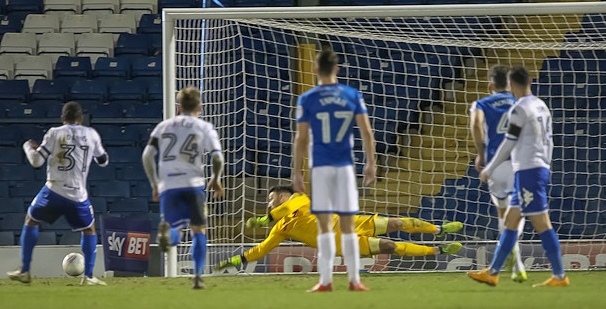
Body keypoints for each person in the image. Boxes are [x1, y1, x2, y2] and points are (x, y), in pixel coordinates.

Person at [468, 66, 569, 287]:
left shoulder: (519, 108)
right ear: (530, 81)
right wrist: (546, 164)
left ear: (511, 85)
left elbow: (509, 142)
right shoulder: (541, 105)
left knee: (542, 224)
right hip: (534, 168)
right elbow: (549, 140)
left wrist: (489, 167)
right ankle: (493, 272)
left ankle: (560, 275)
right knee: (511, 222)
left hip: (528, 171)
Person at [291, 47, 377, 292]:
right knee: (349, 225)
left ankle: (325, 281)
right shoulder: (352, 95)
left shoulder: (307, 99)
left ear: (315, 70)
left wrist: (296, 172)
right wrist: (371, 163)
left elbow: (301, 138)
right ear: (337, 69)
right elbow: (367, 132)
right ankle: (354, 280)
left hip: (320, 167)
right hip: (344, 167)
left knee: (324, 225)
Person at [216, 185, 463, 270]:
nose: (269, 203)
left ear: (282, 197)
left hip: (350, 222)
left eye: (271, 199)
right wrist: (235, 260)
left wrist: (263, 219)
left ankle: (438, 230)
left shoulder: (300, 199)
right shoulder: (281, 228)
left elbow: (280, 210)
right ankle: (439, 251)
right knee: (390, 246)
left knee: (397, 222)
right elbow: (261, 249)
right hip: (341, 243)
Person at [7, 101, 109, 285]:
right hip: (78, 194)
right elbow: (103, 161)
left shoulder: (55, 133)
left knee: (31, 220)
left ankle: (24, 270)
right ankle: (89, 276)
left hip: (53, 190)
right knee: (89, 229)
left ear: (63, 118)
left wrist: (28, 147)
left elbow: (36, 161)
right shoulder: (91, 134)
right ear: (81, 119)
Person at [142, 86, 224, 290]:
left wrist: (155, 184)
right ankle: (197, 276)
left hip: (169, 184)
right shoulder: (204, 127)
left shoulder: (163, 126)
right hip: (193, 183)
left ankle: (168, 235)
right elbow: (217, 157)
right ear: (200, 107)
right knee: (198, 230)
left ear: (179, 107)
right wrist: (215, 178)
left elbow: (146, 156)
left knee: (174, 227)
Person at [470, 65, 527, 282]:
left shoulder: (481, 103)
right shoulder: (520, 103)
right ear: (510, 85)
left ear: (490, 85)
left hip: (495, 165)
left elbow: (475, 125)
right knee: (517, 214)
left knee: (502, 213)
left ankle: (514, 262)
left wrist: (481, 154)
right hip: (519, 164)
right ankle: (517, 264)